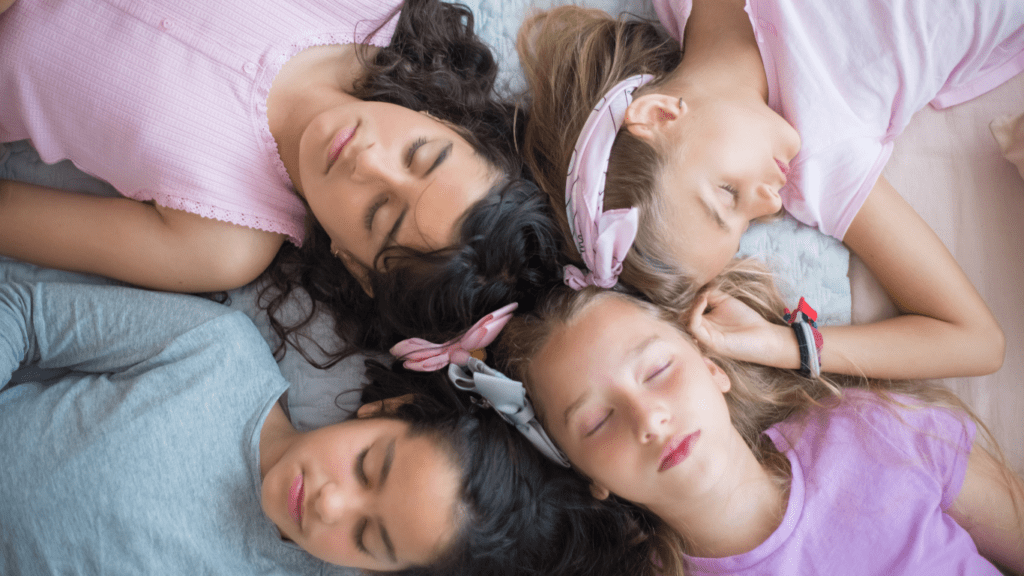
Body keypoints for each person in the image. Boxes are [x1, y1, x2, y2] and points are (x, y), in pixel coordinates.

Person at [0, 0, 563, 358]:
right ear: (450, 124)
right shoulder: (361, 9)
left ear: (354, 265)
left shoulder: (220, 241)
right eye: (420, 154)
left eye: (379, 214)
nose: (367, 161)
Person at [517, 0, 1022, 379]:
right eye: (748, 224)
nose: (772, 203)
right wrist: (785, 346)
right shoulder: (821, 163)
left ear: (660, 115)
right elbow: (976, 341)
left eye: (727, 195)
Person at [0, 278, 629, 576]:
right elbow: (24, 311)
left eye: (367, 536)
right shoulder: (212, 354)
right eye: (365, 466)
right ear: (384, 412)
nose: (330, 503)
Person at [493, 260, 1024, 576]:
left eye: (656, 370)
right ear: (590, 477)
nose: (648, 419)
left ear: (712, 369)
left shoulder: (871, 432)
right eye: (597, 422)